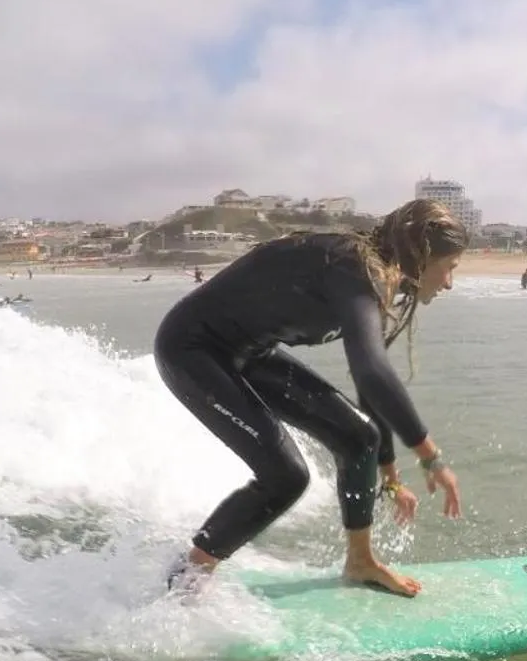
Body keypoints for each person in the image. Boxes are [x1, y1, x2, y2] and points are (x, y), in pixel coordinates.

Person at [152, 199, 466, 599]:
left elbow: (369, 383)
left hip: (249, 352)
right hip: (192, 349)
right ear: (422, 255)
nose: (449, 282)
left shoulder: (371, 277)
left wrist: (390, 476)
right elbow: (372, 373)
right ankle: (185, 582)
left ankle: (360, 562)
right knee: (286, 476)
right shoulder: (354, 270)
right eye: (450, 267)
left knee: (360, 438)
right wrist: (430, 456)